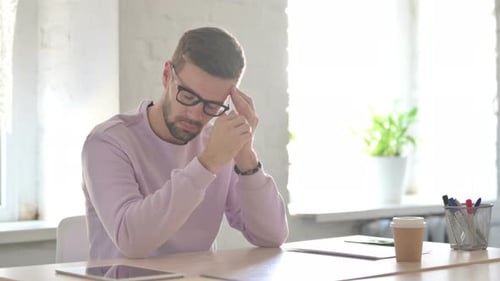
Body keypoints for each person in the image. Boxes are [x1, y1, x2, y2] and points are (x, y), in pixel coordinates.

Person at [81, 26, 289, 260]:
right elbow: (132, 241)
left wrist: (245, 154)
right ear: (167, 75)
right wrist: (207, 163)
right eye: (188, 97)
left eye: (212, 106)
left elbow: (272, 236)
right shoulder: (108, 142)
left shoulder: (217, 145)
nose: (195, 115)